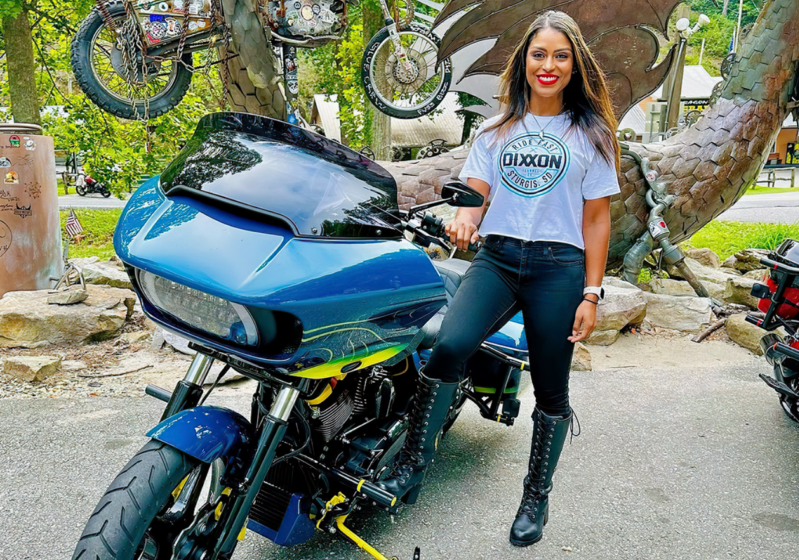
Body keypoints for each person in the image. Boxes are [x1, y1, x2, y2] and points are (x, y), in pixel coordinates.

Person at [378, 10, 621, 546]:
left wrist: (592, 291)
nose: (549, 65)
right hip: (499, 260)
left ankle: (536, 497)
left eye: (561, 56)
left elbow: (597, 218)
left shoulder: (592, 134)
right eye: (539, 55)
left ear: (575, 65)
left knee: (552, 391)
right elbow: (475, 200)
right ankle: (414, 462)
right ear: (525, 63)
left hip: (559, 269)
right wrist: (465, 219)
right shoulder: (495, 130)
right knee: (447, 346)